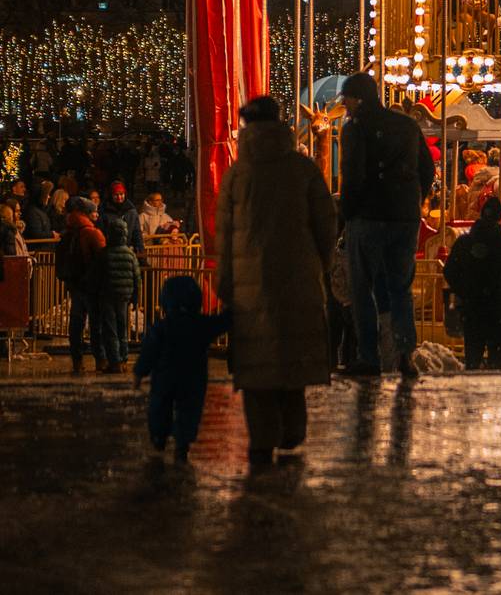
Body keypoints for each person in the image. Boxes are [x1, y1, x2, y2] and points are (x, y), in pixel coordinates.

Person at [216, 96, 337, 466]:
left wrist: (226, 283)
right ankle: (293, 429)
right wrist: (321, 263)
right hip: (299, 278)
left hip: (250, 287)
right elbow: (326, 222)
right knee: (292, 359)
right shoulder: (301, 168)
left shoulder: (238, 174)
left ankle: (261, 438)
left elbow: (223, 235)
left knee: (257, 367)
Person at [339, 70, 435, 380]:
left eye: (347, 100)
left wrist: (346, 215)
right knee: (399, 289)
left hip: (368, 216)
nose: (345, 106)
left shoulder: (355, 129)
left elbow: (353, 176)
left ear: (358, 98)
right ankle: (405, 353)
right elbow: (427, 168)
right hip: (404, 217)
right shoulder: (406, 125)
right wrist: (413, 198)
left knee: (362, 287)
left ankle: (370, 356)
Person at [134, 275, 229, 462]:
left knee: (160, 407)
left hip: (165, 377)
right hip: (193, 379)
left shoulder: (162, 327)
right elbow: (222, 323)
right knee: (189, 410)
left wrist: (139, 372)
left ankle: (158, 436)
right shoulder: (201, 324)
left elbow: (149, 351)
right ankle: (182, 443)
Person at [443, 194, 501, 369]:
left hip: (473, 308)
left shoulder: (465, 242)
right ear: (500, 217)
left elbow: (450, 270)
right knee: (498, 361)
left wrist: (464, 291)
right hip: (500, 311)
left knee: (473, 358)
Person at [57, 196, 107, 374]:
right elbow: (102, 259)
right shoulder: (92, 233)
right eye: (94, 211)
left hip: (75, 283)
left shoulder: (69, 231)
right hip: (91, 285)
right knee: (96, 323)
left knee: (76, 322)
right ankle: (100, 358)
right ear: (87, 213)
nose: (97, 214)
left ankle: (77, 360)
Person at [97, 218, 141, 373]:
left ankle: (114, 361)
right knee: (123, 328)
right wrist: (136, 297)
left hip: (107, 296)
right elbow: (137, 277)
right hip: (124, 297)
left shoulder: (104, 253)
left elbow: (98, 276)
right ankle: (124, 360)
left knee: (111, 329)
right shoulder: (130, 254)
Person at [101, 180, 144, 256]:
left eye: (121, 194)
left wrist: (140, 251)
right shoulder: (104, 211)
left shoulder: (131, 211)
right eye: (116, 194)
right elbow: (102, 231)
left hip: (127, 251)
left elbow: (136, 232)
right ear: (111, 195)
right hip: (110, 252)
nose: (119, 197)